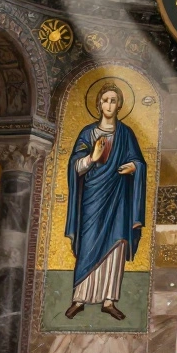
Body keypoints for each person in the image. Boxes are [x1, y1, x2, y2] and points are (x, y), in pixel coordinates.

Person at [64, 84, 147, 321]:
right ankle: (79, 298)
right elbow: (75, 167)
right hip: (93, 196)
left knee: (117, 244)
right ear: (99, 104)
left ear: (119, 104)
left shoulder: (126, 134)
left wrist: (135, 167)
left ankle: (109, 300)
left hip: (119, 196)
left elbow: (139, 162)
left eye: (113, 100)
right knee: (88, 242)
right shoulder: (87, 133)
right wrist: (92, 157)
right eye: (105, 100)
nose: (109, 105)